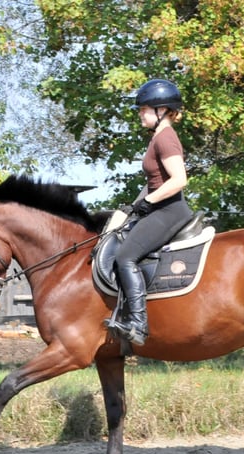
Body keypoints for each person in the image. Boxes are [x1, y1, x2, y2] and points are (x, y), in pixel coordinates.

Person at [105, 78, 194, 345]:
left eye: (144, 109)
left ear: (162, 111)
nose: (140, 114)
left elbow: (179, 179)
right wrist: (134, 207)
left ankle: (139, 325)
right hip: (159, 208)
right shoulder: (158, 137)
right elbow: (154, 181)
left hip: (169, 211)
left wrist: (149, 202)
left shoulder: (165, 138)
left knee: (125, 257)